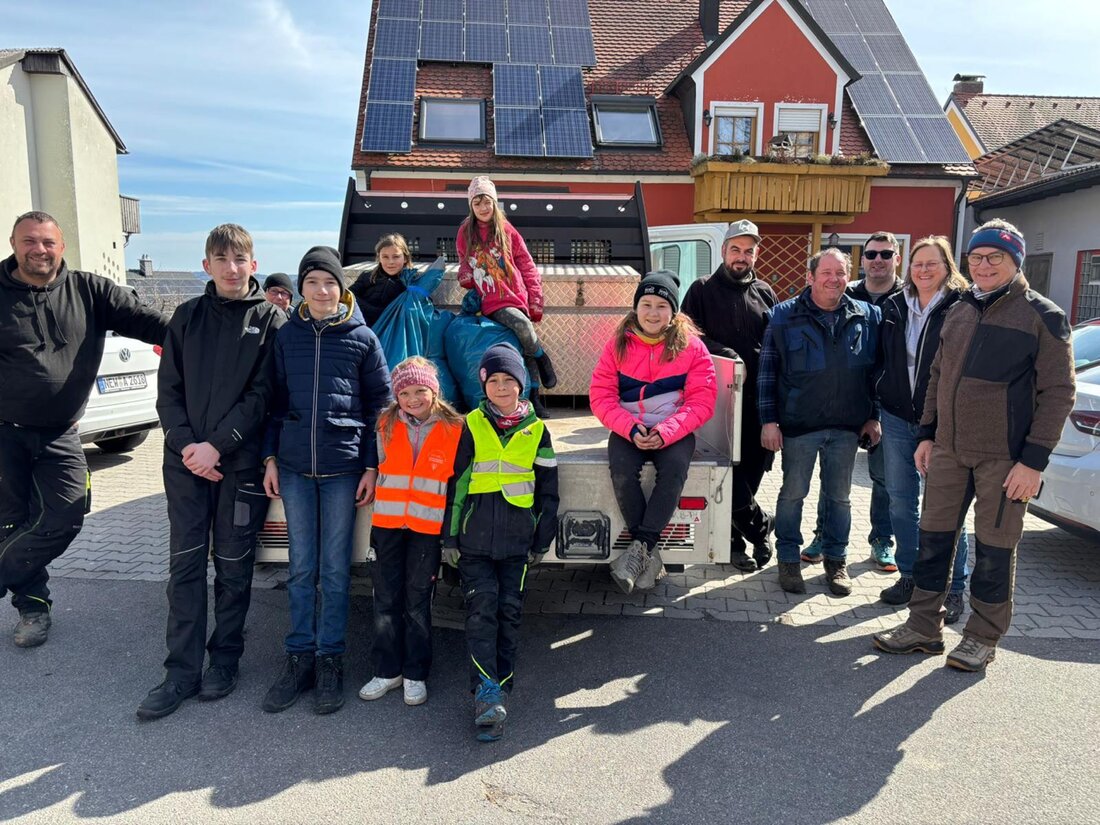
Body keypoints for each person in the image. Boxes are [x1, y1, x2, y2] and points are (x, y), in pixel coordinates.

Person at [873, 220, 1075, 672]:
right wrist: (927, 435)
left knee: (994, 548)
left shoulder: (1043, 316)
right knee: (933, 541)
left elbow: (1059, 393)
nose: (983, 266)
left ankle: (982, 636)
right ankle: (924, 628)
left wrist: (1033, 461)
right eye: (977, 257)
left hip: (1004, 459)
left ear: (1015, 261)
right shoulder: (960, 309)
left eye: (994, 258)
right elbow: (939, 376)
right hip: (947, 450)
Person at [137, 224, 286, 720]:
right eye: (220, 258)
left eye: (239, 258)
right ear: (206, 265)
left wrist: (217, 447)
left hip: (238, 467)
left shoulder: (271, 321)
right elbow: (168, 393)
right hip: (184, 467)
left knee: (233, 568)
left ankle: (224, 660)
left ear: (253, 263)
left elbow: (263, 397)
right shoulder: (185, 318)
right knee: (184, 568)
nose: (230, 267)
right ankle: (180, 672)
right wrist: (188, 447)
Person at [0, 211, 168, 648]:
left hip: (61, 432)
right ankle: (33, 610)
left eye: (48, 242)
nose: (39, 250)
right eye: (29, 241)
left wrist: (212, 334)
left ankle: (5, 572)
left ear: (62, 246)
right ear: (14, 243)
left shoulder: (89, 290)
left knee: (67, 515)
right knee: (9, 522)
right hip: (4, 432)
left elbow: (149, 322)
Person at [259, 245, 392, 715]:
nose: (321, 290)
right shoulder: (287, 336)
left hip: (343, 469)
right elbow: (273, 402)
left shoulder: (361, 338)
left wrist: (374, 466)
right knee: (301, 569)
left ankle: (330, 659)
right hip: (294, 468)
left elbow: (380, 405)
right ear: (302, 287)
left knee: (335, 573)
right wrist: (271, 456)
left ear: (342, 288)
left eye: (330, 282)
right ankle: (299, 659)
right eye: (312, 281)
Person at [443, 343, 559, 742]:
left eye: (509, 380)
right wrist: (450, 537)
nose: (501, 387)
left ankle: (501, 685)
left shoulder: (538, 430)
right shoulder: (470, 425)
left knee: (509, 612)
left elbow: (548, 491)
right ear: (484, 385)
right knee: (481, 612)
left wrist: (542, 538)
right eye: (493, 380)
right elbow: (457, 485)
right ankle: (485, 691)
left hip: (516, 544)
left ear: (522, 385)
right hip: (474, 543)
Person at [758, 248, 881, 597]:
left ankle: (836, 560)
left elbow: (875, 373)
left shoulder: (867, 316)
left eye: (840, 273)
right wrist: (769, 421)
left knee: (839, 497)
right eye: (826, 273)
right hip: (799, 426)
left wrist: (874, 416)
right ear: (810, 277)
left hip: (846, 428)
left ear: (848, 276)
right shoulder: (782, 316)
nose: (834, 279)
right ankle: (787, 560)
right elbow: (767, 373)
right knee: (793, 494)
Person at [593, 270, 717, 593]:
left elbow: (702, 401)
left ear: (673, 311)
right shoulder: (617, 345)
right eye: (645, 303)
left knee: (675, 469)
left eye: (661, 305)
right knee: (621, 469)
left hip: (672, 431)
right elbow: (601, 396)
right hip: (628, 428)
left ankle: (639, 549)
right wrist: (630, 427)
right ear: (635, 307)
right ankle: (647, 552)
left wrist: (665, 431)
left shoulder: (692, 348)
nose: (652, 312)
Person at [358, 357, 463, 708]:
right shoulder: (385, 423)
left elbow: (457, 484)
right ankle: (388, 671)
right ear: (396, 396)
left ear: (434, 391)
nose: (413, 398)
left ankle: (415, 673)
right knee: (385, 599)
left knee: (417, 603)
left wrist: (451, 533)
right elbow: (375, 463)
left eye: (421, 390)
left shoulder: (455, 427)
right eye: (404, 392)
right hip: (388, 525)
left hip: (426, 528)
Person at [876, 237, 970, 623]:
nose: (925, 270)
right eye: (918, 264)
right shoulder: (895, 306)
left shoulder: (962, 307)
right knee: (901, 502)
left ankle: (954, 587)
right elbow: (880, 358)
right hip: (898, 417)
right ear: (908, 268)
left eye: (933, 264)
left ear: (947, 267)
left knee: (947, 509)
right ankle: (911, 576)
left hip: (946, 423)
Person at [802, 232, 902, 572]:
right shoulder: (846, 292)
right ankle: (823, 535)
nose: (878, 260)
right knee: (833, 478)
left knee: (884, 477)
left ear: (896, 259)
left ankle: (882, 539)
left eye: (886, 254)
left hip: (889, 402)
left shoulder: (907, 295)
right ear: (862, 260)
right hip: (844, 404)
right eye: (872, 253)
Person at [682, 219, 777, 573]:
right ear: (723, 252)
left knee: (752, 471)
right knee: (726, 474)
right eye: (735, 249)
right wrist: (725, 353)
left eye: (748, 251)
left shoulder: (765, 292)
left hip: (757, 402)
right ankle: (752, 533)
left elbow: (775, 343)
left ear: (756, 254)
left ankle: (746, 534)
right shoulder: (702, 289)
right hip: (716, 401)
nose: (742, 257)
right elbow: (689, 336)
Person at [456, 176, 557, 394]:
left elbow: (526, 264)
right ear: (471, 206)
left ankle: (534, 396)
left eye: (487, 202)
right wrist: (465, 275)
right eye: (477, 203)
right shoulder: (465, 232)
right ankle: (542, 355)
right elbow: (464, 262)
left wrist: (536, 299)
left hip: (515, 295)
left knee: (522, 345)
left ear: (494, 202)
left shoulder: (507, 230)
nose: (483, 207)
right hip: (491, 300)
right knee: (521, 325)